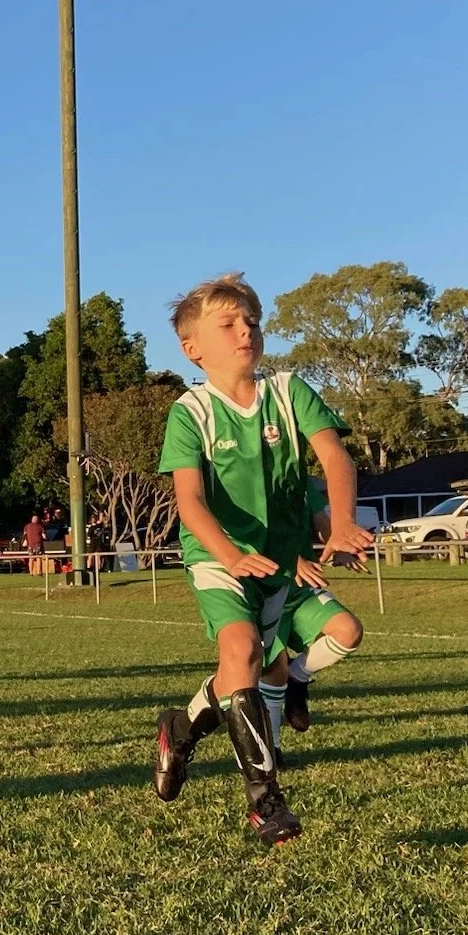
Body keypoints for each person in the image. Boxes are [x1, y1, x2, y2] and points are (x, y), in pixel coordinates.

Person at [149, 274, 370, 847]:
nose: (245, 330)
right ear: (192, 347)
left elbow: (334, 457)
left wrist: (343, 521)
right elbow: (191, 503)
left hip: (277, 560)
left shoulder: (290, 390)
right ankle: (265, 803)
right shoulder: (189, 411)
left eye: (251, 321)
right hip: (218, 554)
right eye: (228, 324)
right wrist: (228, 553)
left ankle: (179, 727)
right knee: (242, 650)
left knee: (245, 671)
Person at [269, 490, 367, 755]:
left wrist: (340, 542)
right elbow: (250, 533)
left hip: (302, 588)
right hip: (264, 591)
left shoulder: (303, 483)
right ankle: (272, 749)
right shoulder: (249, 477)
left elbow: (323, 522)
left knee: (349, 631)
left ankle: (297, 678)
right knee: (271, 673)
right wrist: (291, 559)